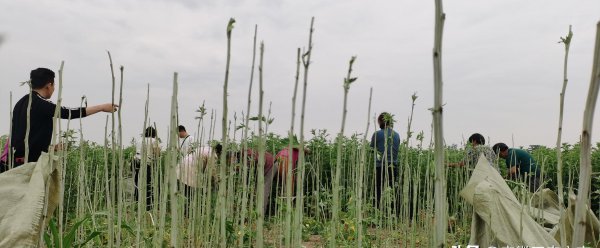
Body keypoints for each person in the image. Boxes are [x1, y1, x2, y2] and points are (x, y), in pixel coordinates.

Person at [0, 68, 117, 172]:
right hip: (28, 166)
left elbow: (27, 138)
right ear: (48, 85)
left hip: (13, 162)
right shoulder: (40, 103)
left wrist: (51, 148)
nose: (54, 89)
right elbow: (68, 112)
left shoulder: (21, 103)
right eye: (53, 85)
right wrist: (101, 107)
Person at [370, 112, 400, 209]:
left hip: (380, 166)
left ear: (380, 122)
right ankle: (391, 213)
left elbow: (371, 150)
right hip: (393, 166)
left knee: (378, 190)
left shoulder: (377, 134)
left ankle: (377, 212)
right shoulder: (397, 135)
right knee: (391, 191)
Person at [235, 148, 275, 214]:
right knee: (258, 189)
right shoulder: (247, 153)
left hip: (271, 166)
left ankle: (261, 214)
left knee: (264, 190)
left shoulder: (248, 154)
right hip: (265, 167)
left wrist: (240, 167)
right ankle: (256, 210)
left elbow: (250, 164)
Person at [133, 126, 160, 210]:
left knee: (137, 182)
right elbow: (157, 153)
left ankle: (137, 202)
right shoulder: (154, 141)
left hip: (136, 162)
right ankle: (148, 205)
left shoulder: (139, 140)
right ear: (154, 134)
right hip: (146, 164)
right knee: (148, 183)